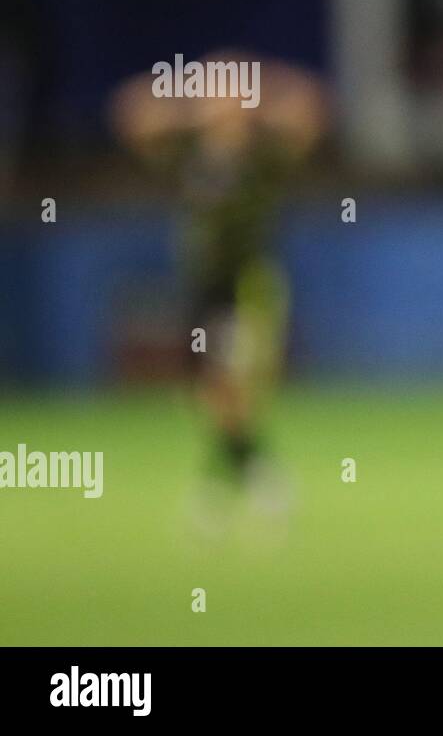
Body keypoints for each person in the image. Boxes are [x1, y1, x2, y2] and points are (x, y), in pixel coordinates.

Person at [112, 54, 324, 511]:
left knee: (235, 379)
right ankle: (245, 470)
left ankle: (240, 480)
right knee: (205, 389)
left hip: (251, 281)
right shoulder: (188, 151)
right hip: (202, 282)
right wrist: (186, 102)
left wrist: (260, 86)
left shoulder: (263, 155)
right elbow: (128, 111)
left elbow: (311, 108)